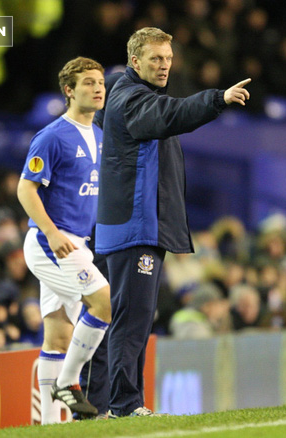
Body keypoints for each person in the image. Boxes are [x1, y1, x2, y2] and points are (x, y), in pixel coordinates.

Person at [96, 27, 250, 418]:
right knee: (132, 319)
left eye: (167, 59)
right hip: (135, 226)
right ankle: (123, 406)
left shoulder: (133, 95)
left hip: (139, 225)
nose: (164, 66)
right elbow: (171, 115)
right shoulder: (132, 99)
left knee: (136, 318)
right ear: (135, 62)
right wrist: (218, 98)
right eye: (155, 59)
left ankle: (124, 404)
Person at [17, 57, 112, 423]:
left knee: (58, 335)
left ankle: (46, 425)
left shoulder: (100, 135)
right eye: (88, 82)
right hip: (50, 242)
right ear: (69, 91)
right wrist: (53, 233)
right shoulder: (52, 135)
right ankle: (69, 381)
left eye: (100, 81)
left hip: (77, 242)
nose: (98, 88)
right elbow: (26, 188)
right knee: (103, 302)